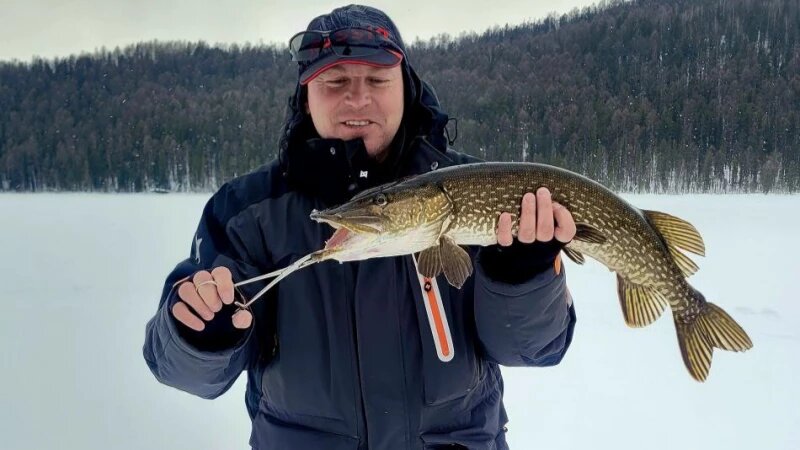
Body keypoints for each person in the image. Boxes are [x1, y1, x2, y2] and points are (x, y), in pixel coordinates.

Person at [143, 5, 577, 449]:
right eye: (336, 82)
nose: (358, 98)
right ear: (306, 94)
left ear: (404, 89)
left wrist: (522, 276)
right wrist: (199, 337)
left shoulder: (474, 189)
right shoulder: (248, 213)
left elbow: (532, 349)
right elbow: (180, 370)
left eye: (377, 80)